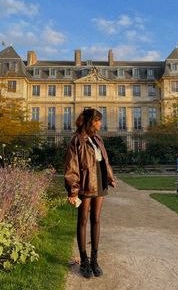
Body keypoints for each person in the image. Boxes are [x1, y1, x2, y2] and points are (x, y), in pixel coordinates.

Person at [63, 108, 116, 278]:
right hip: (86, 183)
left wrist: (109, 177)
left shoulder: (97, 138)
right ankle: (84, 260)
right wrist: (73, 190)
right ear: (91, 121)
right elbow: (72, 167)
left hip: (99, 181)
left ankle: (94, 259)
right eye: (98, 120)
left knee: (97, 219)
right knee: (83, 220)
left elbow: (104, 160)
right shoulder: (77, 140)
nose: (101, 123)